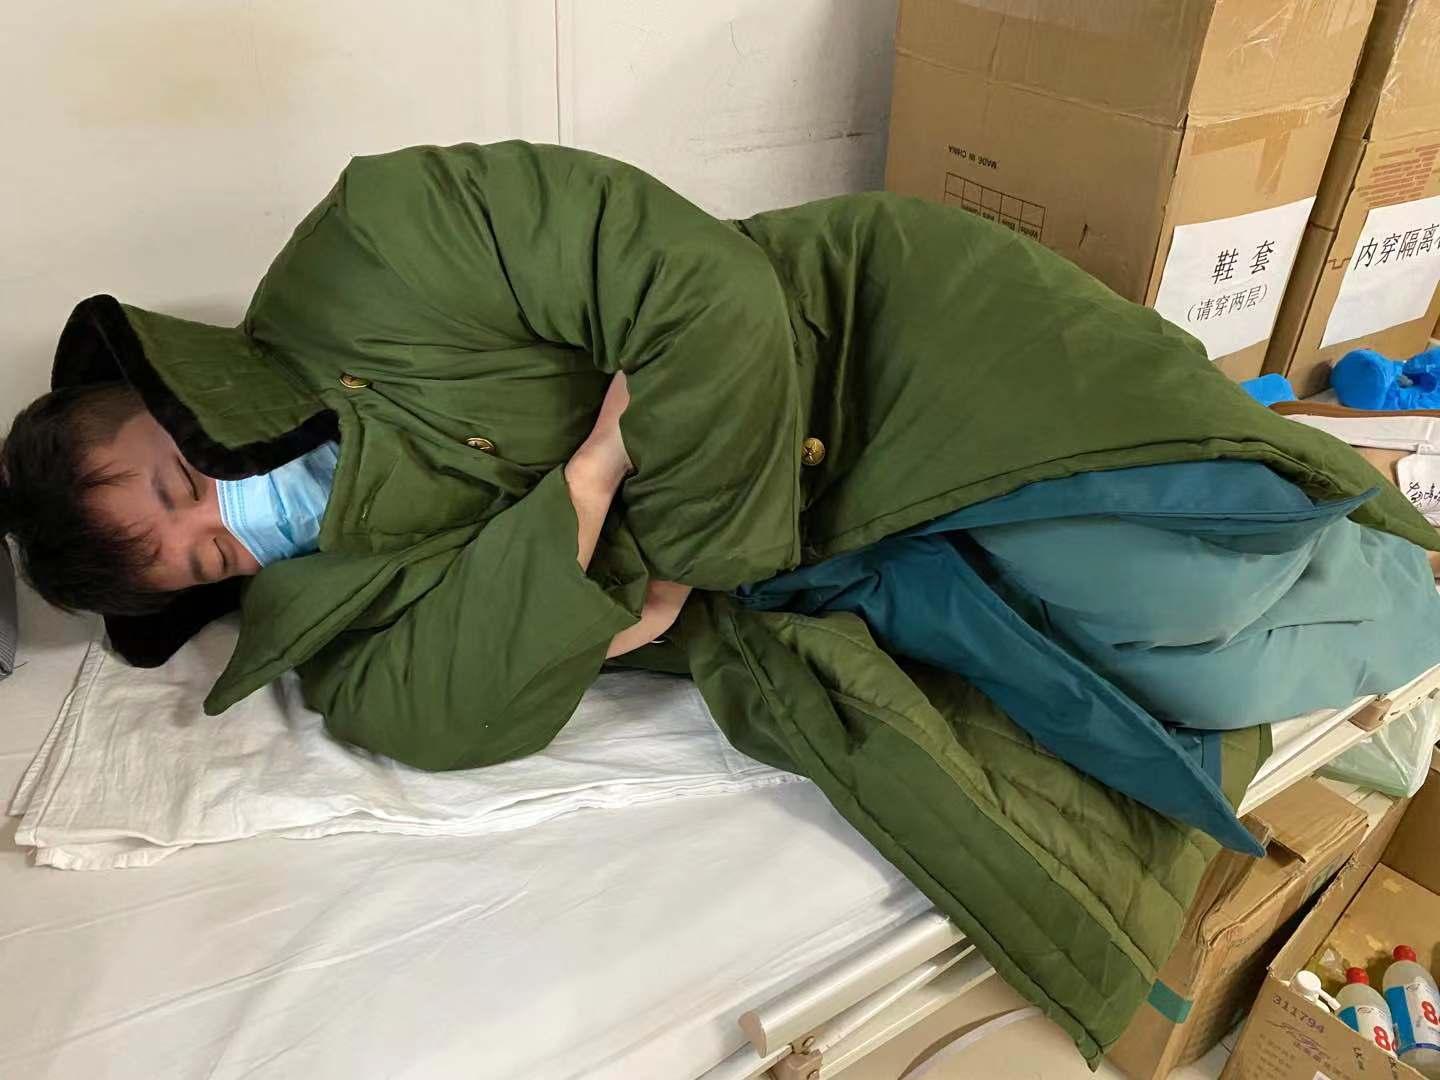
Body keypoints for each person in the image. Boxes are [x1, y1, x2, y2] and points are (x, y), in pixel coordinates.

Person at [5, 141, 1439, 1056]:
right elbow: (455, 716)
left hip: (861, 344)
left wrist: (663, 565)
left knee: (1184, 610)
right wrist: (589, 481)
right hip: (817, 559)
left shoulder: (383, 240)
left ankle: (1382, 511)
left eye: (180, 477)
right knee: (1143, 691)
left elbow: (709, 299)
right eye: (204, 558)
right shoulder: (327, 625)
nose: (227, 514)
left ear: (166, 386)